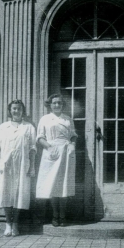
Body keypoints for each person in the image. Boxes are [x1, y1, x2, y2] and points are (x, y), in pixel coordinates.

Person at [0, 100, 36, 236]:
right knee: (6, 192)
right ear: (10, 111)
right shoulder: (3, 127)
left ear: (23, 110)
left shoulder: (29, 127)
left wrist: (32, 166)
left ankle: (16, 224)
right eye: (13, 109)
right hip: (6, 165)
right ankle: (7, 224)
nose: (16, 111)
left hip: (23, 164)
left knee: (20, 194)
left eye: (18, 109)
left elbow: (33, 148)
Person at [36, 94, 77, 227]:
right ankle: (55, 215)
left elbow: (73, 136)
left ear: (63, 105)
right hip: (51, 152)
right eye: (54, 103)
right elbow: (40, 137)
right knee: (53, 185)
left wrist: (72, 144)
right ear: (50, 105)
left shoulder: (67, 119)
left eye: (59, 103)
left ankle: (63, 216)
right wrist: (49, 147)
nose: (57, 105)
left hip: (66, 152)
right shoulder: (45, 119)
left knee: (63, 184)